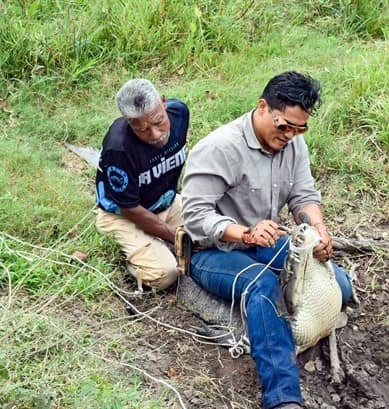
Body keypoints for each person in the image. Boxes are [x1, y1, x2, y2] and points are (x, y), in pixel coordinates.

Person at [182, 71, 353, 409]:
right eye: (284, 126)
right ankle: (282, 397)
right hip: (213, 251)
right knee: (262, 288)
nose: (290, 135)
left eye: (299, 128)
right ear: (262, 107)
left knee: (340, 286)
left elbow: (303, 197)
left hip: (264, 241)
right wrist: (245, 232)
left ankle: (273, 324)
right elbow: (195, 216)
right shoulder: (220, 148)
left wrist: (318, 232)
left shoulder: (293, 144)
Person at [95, 78, 189, 291]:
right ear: (129, 123)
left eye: (158, 122)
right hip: (123, 216)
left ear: (164, 102)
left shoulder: (180, 113)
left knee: (215, 228)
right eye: (142, 129)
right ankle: (127, 256)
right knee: (165, 274)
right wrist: (172, 234)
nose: (155, 135)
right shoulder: (118, 148)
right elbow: (129, 208)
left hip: (165, 202)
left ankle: (158, 243)